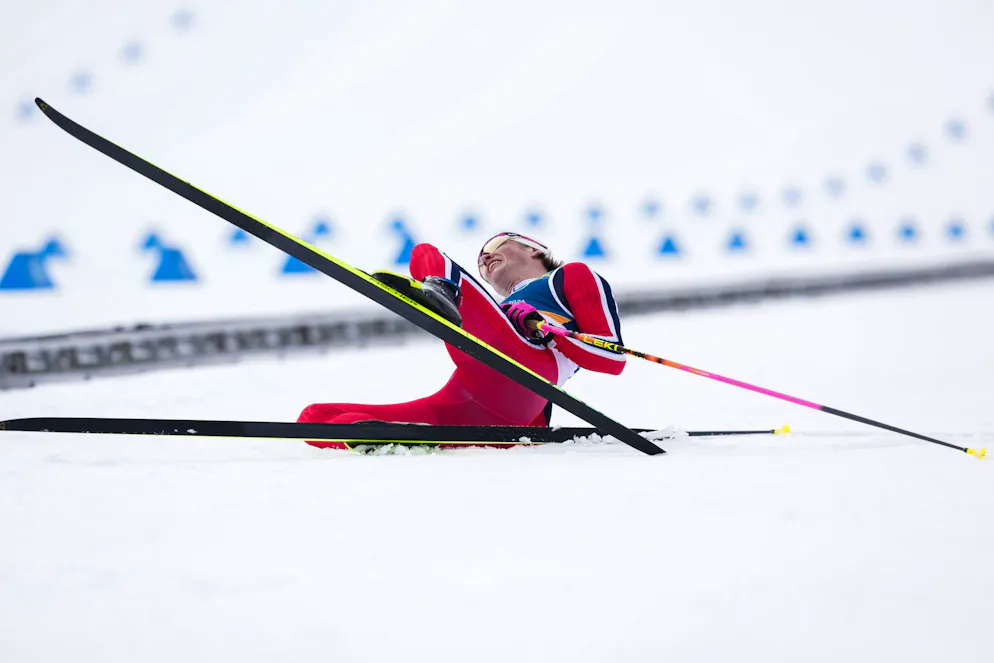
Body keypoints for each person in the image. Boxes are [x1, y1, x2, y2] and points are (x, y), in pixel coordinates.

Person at [297, 232, 627, 447]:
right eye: (481, 262)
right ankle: (386, 436)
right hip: (478, 399)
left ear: (534, 249)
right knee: (319, 418)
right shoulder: (501, 308)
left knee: (427, 254)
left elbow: (612, 360)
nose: (484, 259)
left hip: (531, 371)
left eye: (495, 247)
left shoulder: (571, 276)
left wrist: (542, 328)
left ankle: (441, 289)